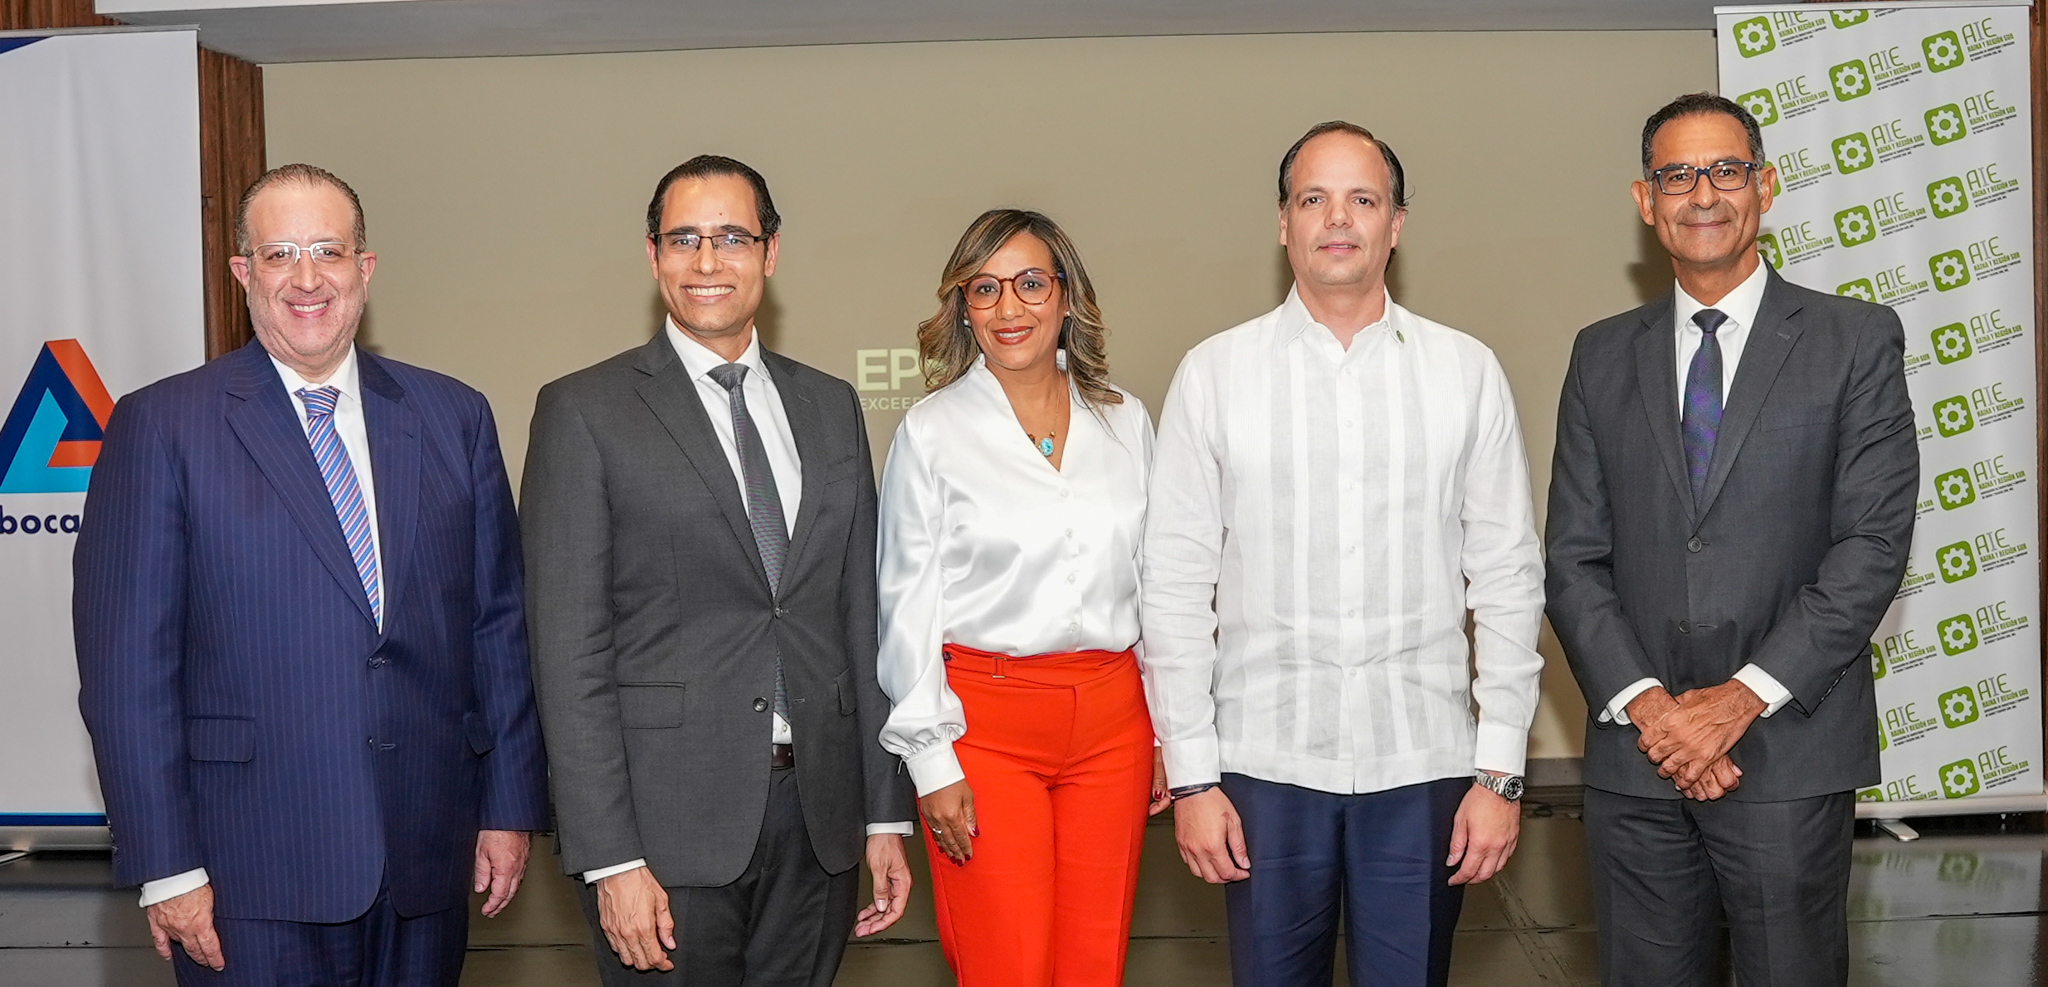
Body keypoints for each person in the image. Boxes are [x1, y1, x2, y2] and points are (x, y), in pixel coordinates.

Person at [73, 163, 549, 987]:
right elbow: (126, 672)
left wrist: (508, 805)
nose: (306, 278)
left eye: (328, 251)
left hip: (426, 859)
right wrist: (167, 865)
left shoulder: (454, 416)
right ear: (243, 272)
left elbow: (496, 627)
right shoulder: (161, 425)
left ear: (365, 267)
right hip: (245, 874)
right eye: (279, 253)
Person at [1142, 121, 1545, 987]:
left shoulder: (1466, 371)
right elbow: (1173, 586)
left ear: (1395, 224)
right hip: (1261, 768)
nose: (1337, 217)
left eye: (1363, 198)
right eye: (1313, 198)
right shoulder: (1214, 374)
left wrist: (1501, 772)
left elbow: (1508, 578)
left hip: (1425, 766)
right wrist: (1193, 777)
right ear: (1282, 222)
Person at [1545, 93, 1916, 987]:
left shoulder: (1854, 339)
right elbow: (1571, 557)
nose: (1703, 193)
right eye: (1677, 175)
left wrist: (1737, 701)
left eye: (1726, 170)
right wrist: (1655, 712)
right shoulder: (1600, 354)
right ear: (1646, 201)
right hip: (1639, 760)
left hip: (1788, 752)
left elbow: (1870, 547)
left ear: (1766, 186)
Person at [522, 154, 916, 987]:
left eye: (733, 237)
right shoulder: (583, 411)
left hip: (820, 820)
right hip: (663, 832)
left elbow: (861, 617)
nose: (708, 261)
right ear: (653, 254)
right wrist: (609, 857)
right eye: (685, 239)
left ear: (770, 252)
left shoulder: (830, 405)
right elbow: (567, 652)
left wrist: (885, 814)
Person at [876, 209, 1167, 987]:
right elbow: (906, 607)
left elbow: (1154, 583)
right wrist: (930, 761)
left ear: (1066, 294)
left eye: (1031, 283)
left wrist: (1168, 728)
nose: (1009, 307)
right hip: (987, 729)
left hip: (1114, 725)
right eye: (985, 288)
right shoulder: (932, 432)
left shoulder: (1125, 420)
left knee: (1093, 965)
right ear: (964, 308)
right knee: (1007, 964)